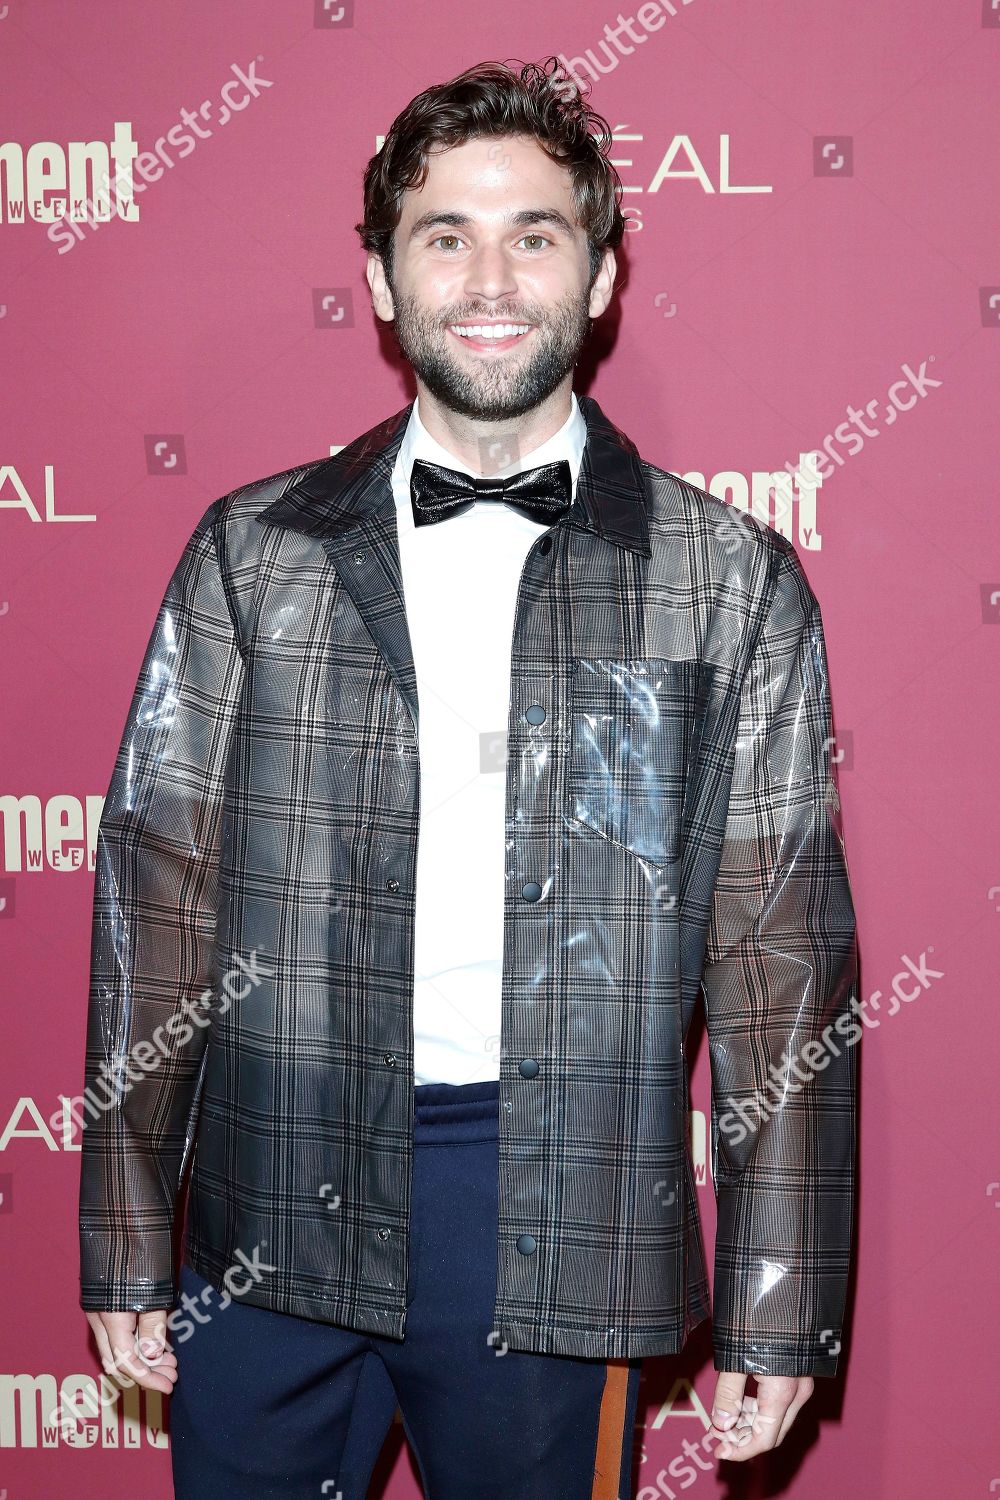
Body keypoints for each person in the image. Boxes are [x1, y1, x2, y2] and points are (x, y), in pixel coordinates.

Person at [78, 55, 859, 1500]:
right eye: (445, 235)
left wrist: (776, 1292)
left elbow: (778, 961)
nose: (490, 276)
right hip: (265, 1201)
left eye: (536, 234)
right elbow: (160, 892)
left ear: (603, 273)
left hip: (558, 1212)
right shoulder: (256, 555)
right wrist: (128, 1225)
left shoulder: (728, 583)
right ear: (382, 281)